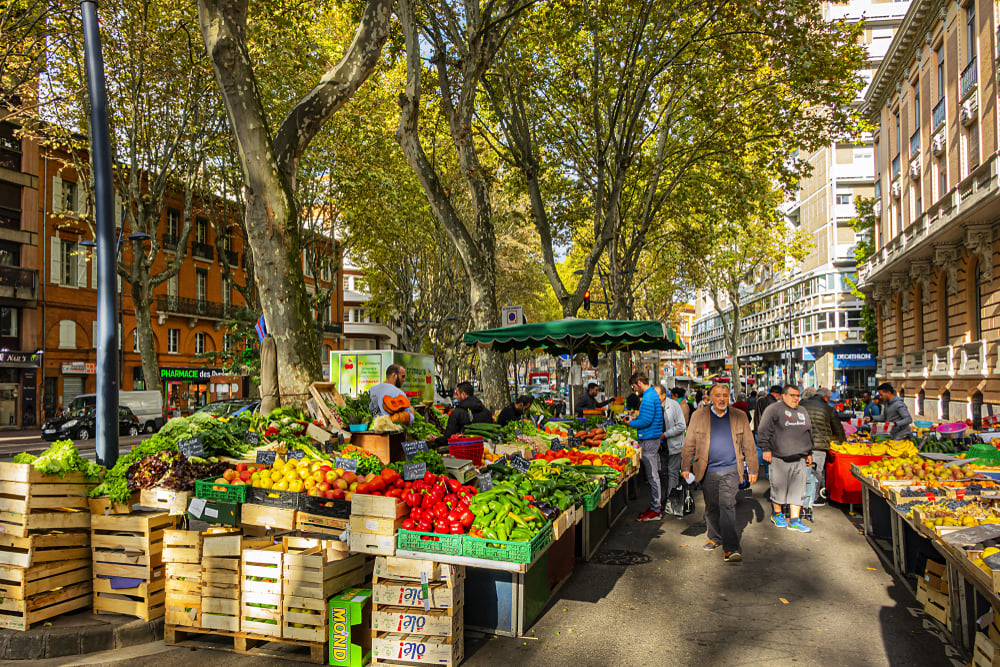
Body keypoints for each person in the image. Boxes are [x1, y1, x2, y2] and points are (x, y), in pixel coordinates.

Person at [681, 383, 758, 562]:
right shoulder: (698, 415)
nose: (722, 399)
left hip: (731, 469)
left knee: (727, 504)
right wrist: (686, 466)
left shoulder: (739, 416)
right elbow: (689, 442)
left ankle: (731, 548)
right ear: (710, 397)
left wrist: (753, 468)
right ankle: (714, 537)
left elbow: (749, 443)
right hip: (706, 470)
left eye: (725, 395)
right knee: (712, 506)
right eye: (718, 395)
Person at [757, 384, 814, 533]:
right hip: (779, 456)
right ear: (784, 395)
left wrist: (809, 452)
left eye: (798, 395)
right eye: (792, 395)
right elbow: (763, 430)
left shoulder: (802, 411)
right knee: (778, 487)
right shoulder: (773, 409)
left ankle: (795, 520)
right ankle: (777, 514)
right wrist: (765, 448)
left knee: (798, 490)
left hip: (799, 457)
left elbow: (809, 432)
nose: (796, 398)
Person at [800, 387, 846, 518]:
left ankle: (799, 496)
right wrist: (843, 440)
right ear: (825, 398)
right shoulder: (829, 409)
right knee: (816, 472)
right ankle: (813, 499)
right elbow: (838, 428)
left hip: (802, 443)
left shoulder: (802, 404)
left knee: (802, 470)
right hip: (819, 446)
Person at [627, 372, 665, 522]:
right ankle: (655, 507)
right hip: (652, 438)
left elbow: (646, 421)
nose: (634, 389)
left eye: (634, 386)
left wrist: (630, 423)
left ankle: (656, 510)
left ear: (639, 382)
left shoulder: (648, 396)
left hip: (649, 439)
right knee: (653, 475)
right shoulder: (652, 394)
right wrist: (635, 418)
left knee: (652, 475)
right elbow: (646, 417)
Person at [655, 384, 688, 516]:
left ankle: (671, 501)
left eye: (656, 395)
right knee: (662, 473)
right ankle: (664, 499)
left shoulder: (674, 406)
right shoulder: (655, 407)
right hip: (661, 447)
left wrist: (665, 434)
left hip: (674, 446)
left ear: (663, 395)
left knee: (672, 473)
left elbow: (681, 426)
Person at [435, 382, 493, 447]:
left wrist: (435, 440)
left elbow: (448, 438)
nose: (456, 397)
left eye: (457, 394)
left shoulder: (457, 413)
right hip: (485, 451)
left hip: (464, 451)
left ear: (463, 394)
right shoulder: (486, 412)